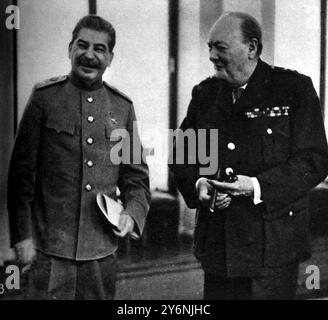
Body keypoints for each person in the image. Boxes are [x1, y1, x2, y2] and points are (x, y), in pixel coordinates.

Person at [169, 11, 328, 299]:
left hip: (272, 250)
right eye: (210, 47)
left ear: (252, 48)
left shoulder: (293, 90)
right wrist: (198, 185)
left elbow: (314, 161)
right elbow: (183, 155)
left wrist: (255, 187)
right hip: (219, 248)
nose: (212, 56)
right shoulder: (205, 94)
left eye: (221, 47)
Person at [7, 15, 150, 300]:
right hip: (49, 250)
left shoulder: (122, 107)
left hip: (100, 253)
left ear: (110, 58)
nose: (89, 55)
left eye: (99, 49)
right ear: (70, 49)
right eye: (82, 45)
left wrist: (132, 215)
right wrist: (22, 236)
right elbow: (20, 176)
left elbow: (136, 179)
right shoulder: (45, 98)